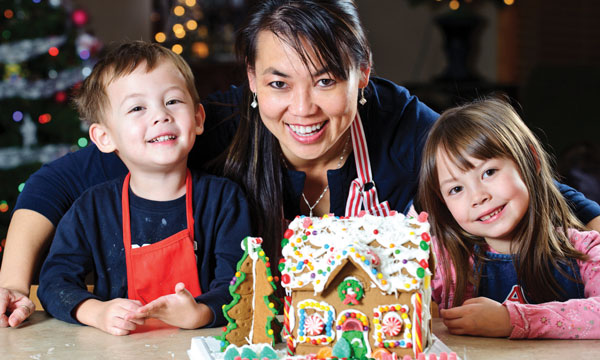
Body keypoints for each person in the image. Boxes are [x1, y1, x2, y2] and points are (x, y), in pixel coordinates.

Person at [2, 0, 600, 327]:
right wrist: (10, 288)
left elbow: (550, 201)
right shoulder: (217, 124)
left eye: (326, 79)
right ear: (252, 82)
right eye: (279, 83)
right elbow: (55, 185)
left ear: (362, 74)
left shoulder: (404, 126)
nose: (304, 108)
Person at [36, 41, 252, 335]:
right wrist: (96, 312)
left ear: (198, 119)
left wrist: (201, 313)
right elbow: (53, 283)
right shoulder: (93, 209)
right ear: (104, 137)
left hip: (202, 346)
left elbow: (238, 283)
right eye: (137, 107)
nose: (161, 115)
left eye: (173, 101)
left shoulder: (224, 200)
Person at [418, 97, 600, 339]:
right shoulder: (442, 263)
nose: (478, 197)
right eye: (456, 189)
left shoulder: (585, 249)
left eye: (489, 172)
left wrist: (513, 319)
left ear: (531, 160)